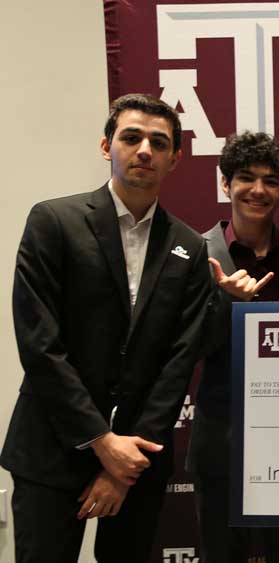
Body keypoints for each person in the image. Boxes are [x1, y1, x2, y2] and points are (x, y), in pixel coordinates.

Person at [1, 93, 214, 562]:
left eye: (159, 143)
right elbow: (40, 345)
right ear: (106, 146)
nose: (144, 151)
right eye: (131, 137)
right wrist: (100, 442)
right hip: (52, 445)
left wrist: (122, 467)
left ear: (174, 159)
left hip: (138, 457)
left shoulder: (188, 247)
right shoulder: (54, 221)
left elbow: (178, 362)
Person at [186, 131, 279, 562]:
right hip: (221, 434)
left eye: (271, 181)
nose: (258, 190)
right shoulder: (195, 252)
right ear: (225, 183)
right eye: (245, 177)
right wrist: (226, 301)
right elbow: (187, 348)